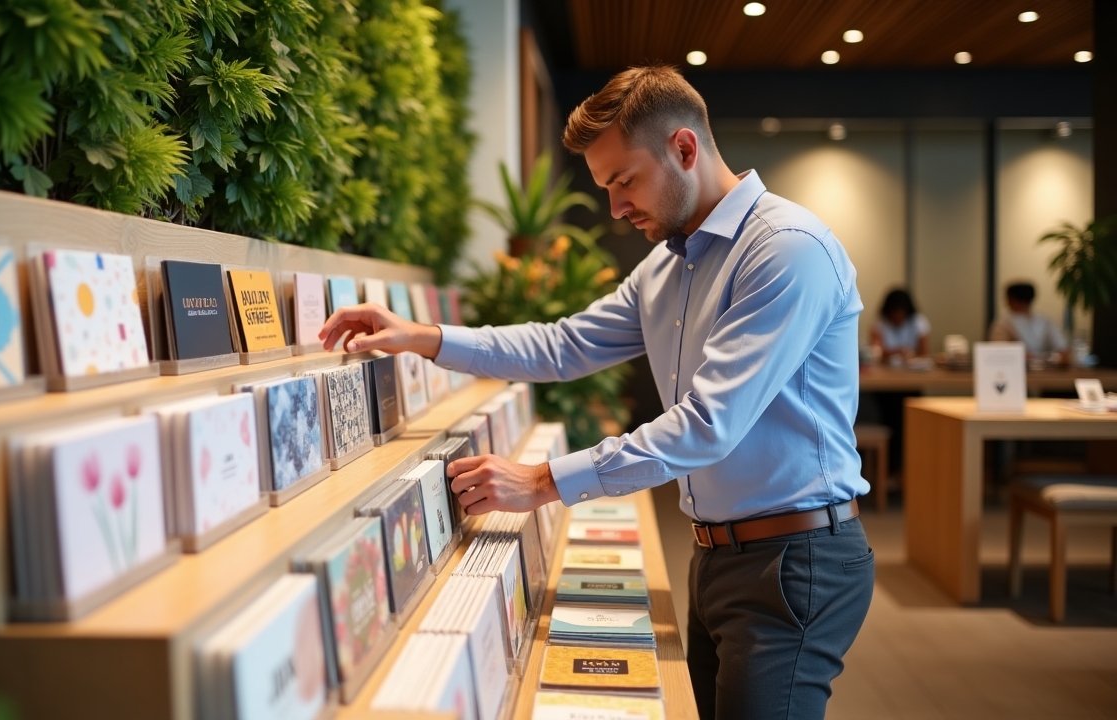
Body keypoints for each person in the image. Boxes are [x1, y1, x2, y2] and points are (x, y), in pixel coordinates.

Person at [319, 65, 873, 720]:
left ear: (684, 149)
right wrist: (426, 336)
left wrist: (542, 482)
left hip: (794, 561)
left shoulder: (786, 250)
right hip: (720, 554)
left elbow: (707, 426)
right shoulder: (669, 263)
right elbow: (563, 345)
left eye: (623, 180)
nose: (614, 207)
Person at [988, 281, 1068, 360]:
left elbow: (1062, 350)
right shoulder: (1004, 322)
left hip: (1043, 368)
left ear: (1010, 299)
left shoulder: (1044, 320)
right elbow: (999, 350)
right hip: (1024, 366)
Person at [870, 288, 930, 362]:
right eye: (894, 314)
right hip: (886, 368)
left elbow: (924, 353)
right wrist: (897, 352)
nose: (897, 318)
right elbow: (876, 353)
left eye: (900, 314)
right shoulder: (879, 322)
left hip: (913, 368)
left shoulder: (919, 321)